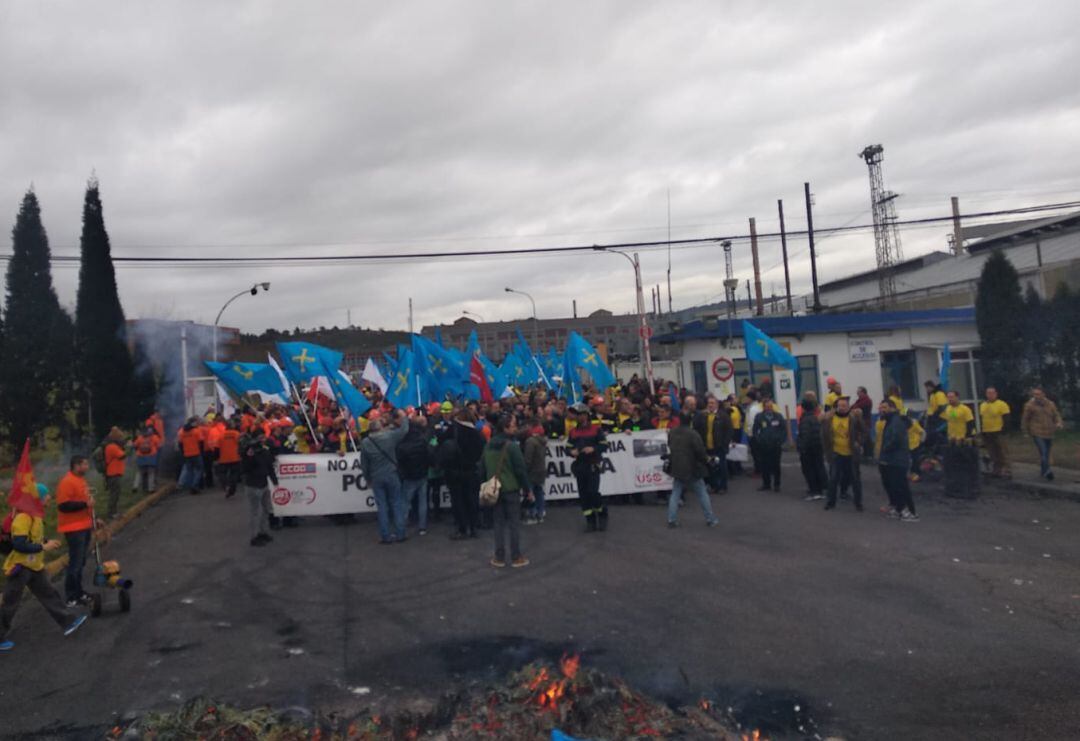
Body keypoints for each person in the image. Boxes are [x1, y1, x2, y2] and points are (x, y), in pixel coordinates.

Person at [1, 481, 89, 650]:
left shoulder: (36, 517)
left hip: (34, 566)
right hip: (20, 568)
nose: (50, 497)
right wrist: (43, 546)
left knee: (49, 593)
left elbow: (33, 538)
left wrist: (47, 541)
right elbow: (19, 544)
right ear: (38, 499)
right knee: (10, 602)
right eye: (46, 495)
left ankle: (68, 622)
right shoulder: (23, 518)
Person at [480, 414, 531, 568]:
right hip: (510, 489)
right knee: (514, 524)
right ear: (505, 428)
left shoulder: (488, 446)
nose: (516, 427)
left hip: (494, 490)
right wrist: (528, 489)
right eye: (513, 425)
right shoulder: (512, 447)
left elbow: (482, 468)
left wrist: (486, 483)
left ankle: (499, 556)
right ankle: (516, 556)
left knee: (498, 524)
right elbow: (521, 470)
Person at [360, 409, 411, 544]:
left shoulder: (365, 442)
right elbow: (404, 430)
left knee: (382, 507)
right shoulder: (389, 436)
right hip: (391, 474)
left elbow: (364, 464)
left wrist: (367, 478)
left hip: (376, 476)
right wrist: (404, 416)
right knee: (396, 503)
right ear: (380, 428)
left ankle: (385, 536)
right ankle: (401, 533)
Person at [666, 411, 719, 528]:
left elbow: (670, 446)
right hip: (692, 466)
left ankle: (671, 519)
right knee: (701, 493)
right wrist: (707, 460)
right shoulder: (693, 434)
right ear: (690, 421)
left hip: (677, 466)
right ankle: (710, 518)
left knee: (675, 493)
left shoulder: (672, 432)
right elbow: (700, 451)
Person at [55, 456, 96, 607]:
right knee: (76, 563)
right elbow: (63, 506)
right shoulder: (67, 482)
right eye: (85, 464)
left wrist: (93, 519)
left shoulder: (81, 481)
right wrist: (85, 504)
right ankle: (71, 596)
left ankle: (79, 592)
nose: (87, 467)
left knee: (81, 562)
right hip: (73, 528)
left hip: (84, 525)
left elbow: (86, 503)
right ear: (76, 465)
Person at [439, 409, 486, 540]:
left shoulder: (454, 430)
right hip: (472, 471)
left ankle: (462, 528)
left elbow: (440, 441)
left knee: (458, 501)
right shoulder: (477, 434)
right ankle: (473, 527)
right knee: (472, 500)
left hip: (455, 471)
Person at [567, 402, 609, 532]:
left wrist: (594, 448)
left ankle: (602, 514)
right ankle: (590, 520)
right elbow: (568, 447)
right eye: (576, 415)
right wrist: (571, 452)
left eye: (579, 414)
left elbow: (604, 445)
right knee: (583, 495)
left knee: (593, 492)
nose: (577, 417)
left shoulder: (596, 429)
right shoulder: (573, 431)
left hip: (592, 465)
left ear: (586, 415)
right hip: (580, 466)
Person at [878, 400, 919, 521]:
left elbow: (896, 439)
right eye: (880, 408)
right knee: (892, 485)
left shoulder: (896, 421)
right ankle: (898, 508)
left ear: (892, 408)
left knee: (900, 486)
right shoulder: (890, 421)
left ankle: (909, 512)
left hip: (897, 460)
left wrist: (885, 449)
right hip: (890, 459)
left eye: (884, 407)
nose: (881, 410)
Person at [823, 397, 865, 511]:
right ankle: (831, 502)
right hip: (836, 453)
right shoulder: (829, 419)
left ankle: (858, 503)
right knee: (833, 478)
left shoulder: (854, 418)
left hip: (851, 453)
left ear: (848, 407)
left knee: (855, 479)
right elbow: (824, 435)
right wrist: (827, 450)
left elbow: (863, 431)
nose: (841, 408)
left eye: (844, 405)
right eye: (839, 406)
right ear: (836, 407)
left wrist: (859, 442)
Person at [240, 427, 278, 547]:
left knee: (266, 509)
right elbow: (245, 468)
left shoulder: (265, 450)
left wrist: (274, 481)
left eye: (263, 437)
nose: (262, 439)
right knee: (255, 511)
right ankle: (254, 536)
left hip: (264, 483)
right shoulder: (249, 452)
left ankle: (263, 531)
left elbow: (269, 466)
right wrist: (249, 455)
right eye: (260, 437)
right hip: (253, 485)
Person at [396, 410, 431, 536]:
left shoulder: (403, 444)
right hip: (422, 474)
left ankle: (401, 527)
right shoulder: (422, 441)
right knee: (423, 501)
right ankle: (422, 527)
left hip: (409, 476)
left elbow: (400, 460)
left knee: (405, 502)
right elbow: (428, 456)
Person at [1021, 387, 1064, 481]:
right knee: (1043, 452)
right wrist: (1025, 431)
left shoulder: (1050, 404)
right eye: (1034, 394)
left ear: (1043, 394)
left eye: (1038, 394)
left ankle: (1043, 470)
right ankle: (1048, 471)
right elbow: (1025, 419)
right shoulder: (1030, 405)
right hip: (1037, 432)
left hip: (1049, 431)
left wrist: (1059, 423)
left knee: (1047, 453)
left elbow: (1056, 415)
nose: (1036, 396)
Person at [693, 395, 733, 494]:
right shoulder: (703, 415)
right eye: (709, 403)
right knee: (710, 467)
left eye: (712, 403)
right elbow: (696, 427)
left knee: (721, 467)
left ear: (717, 404)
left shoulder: (723, 416)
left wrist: (724, 444)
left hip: (719, 447)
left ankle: (723, 486)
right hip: (706, 446)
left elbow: (729, 431)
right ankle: (714, 485)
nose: (710, 405)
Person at [752, 397, 787, 492]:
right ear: (763, 407)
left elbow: (784, 430)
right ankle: (766, 484)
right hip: (764, 445)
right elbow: (755, 430)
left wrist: (781, 440)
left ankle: (777, 485)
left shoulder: (778, 416)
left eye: (770, 406)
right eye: (767, 406)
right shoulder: (759, 417)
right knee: (764, 465)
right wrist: (759, 440)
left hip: (776, 445)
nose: (769, 408)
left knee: (776, 465)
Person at [796, 397, 828, 501]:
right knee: (819, 468)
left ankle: (814, 491)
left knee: (809, 470)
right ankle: (821, 490)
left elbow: (805, 436)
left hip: (808, 450)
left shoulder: (805, 420)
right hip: (817, 447)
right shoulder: (815, 418)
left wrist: (801, 448)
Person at [979, 387, 1011, 478]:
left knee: (1003, 452)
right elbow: (982, 418)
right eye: (988, 393)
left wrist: (1004, 430)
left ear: (996, 394)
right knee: (992, 452)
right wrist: (982, 431)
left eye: (992, 393)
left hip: (998, 431)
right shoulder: (983, 405)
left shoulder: (1002, 404)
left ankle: (1007, 470)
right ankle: (996, 470)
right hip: (987, 432)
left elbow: (1007, 418)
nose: (990, 395)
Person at [523, 418, 548, 524]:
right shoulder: (542, 441)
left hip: (532, 471)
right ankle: (540, 512)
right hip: (541, 469)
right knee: (539, 492)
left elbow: (528, 459)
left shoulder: (530, 442)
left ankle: (532, 515)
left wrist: (524, 469)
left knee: (530, 493)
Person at [101, 427, 129, 519]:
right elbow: (122, 455)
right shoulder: (112, 447)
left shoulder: (111, 446)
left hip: (114, 473)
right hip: (114, 473)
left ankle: (113, 511)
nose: (121, 439)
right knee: (114, 494)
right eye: (120, 437)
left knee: (115, 493)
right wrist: (129, 447)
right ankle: (111, 513)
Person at [177, 417, 204, 495]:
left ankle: (190, 486)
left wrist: (183, 453)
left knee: (189, 471)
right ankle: (194, 485)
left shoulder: (182, 433)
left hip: (187, 454)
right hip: (196, 453)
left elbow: (180, 444)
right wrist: (201, 451)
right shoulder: (196, 431)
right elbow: (201, 442)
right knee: (199, 470)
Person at [218, 418, 243, 498]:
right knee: (234, 474)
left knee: (222, 473)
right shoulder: (236, 433)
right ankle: (232, 489)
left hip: (223, 458)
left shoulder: (221, 434)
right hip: (234, 457)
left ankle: (226, 485)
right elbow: (240, 444)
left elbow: (217, 447)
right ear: (232, 425)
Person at [132, 425, 161, 494]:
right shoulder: (154, 437)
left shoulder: (139, 438)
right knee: (151, 473)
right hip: (151, 457)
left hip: (141, 457)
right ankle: (151, 489)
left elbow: (134, 445)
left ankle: (135, 486)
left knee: (139, 473)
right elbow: (159, 446)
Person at [743, 390, 764, 475]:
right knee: (756, 453)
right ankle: (758, 469)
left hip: (753, 434)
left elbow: (752, 422)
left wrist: (751, 433)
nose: (746, 399)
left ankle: (758, 470)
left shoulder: (753, 409)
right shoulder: (753, 407)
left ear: (750, 398)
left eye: (747, 398)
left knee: (756, 453)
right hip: (754, 433)